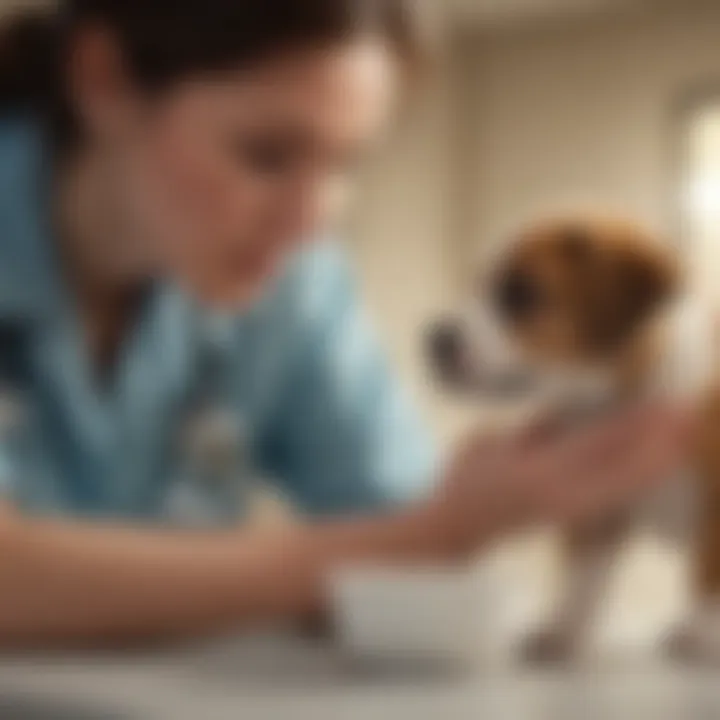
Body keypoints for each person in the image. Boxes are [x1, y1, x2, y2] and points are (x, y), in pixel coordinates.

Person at [0, 0, 688, 649]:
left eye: (345, 164)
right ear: (104, 79)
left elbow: (397, 523)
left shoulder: (290, 280)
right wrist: (441, 531)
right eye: (267, 154)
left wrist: (499, 499)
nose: (313, 220)